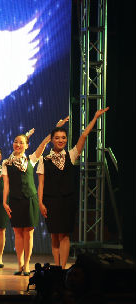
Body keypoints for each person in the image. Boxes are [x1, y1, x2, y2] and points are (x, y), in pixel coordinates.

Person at [38, 108, 108, 268]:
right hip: (50, 201)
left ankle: (62, 268)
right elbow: (41, 183)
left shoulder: (71, 154)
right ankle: (56, 268)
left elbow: (83, 136)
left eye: (63, 137)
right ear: (52, 140)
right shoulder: (44, 160)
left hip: (67, 201)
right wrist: (40, 203)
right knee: (54, 235)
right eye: (57, 138)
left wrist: (95, 117)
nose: (60, 140)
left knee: (64, 235)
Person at [2, 124, 53, 276]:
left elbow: (43, 144)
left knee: (28, 233)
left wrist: (55, 130)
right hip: (15, 201)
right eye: (15, 142)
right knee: (18, 233)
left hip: (30, 200)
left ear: (26, 146)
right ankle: (19, 265)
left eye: (21, 142)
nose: (17, 144)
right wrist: (4, 202)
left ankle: (27, 265)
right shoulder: (6, 163)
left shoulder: (31, 159)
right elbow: (6, 185)